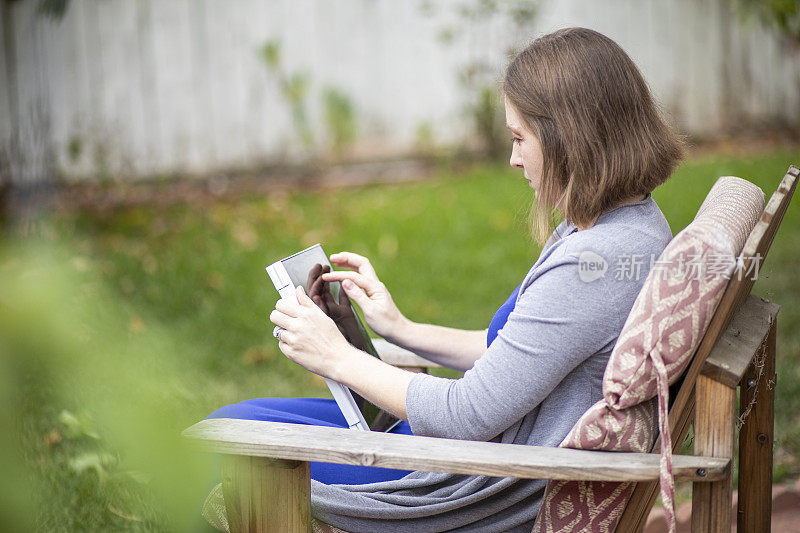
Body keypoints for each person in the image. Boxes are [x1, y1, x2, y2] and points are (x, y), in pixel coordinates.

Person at [207, 27, 684, 532]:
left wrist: (336, 357)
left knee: (224, 443)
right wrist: (398, 327)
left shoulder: (598, 262)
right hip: (462, 451)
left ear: (572, 139)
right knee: (238, 414)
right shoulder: (614, 224)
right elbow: (507, 356)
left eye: (521, 138)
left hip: (463, 482)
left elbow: (467, 414)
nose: (513, 158)